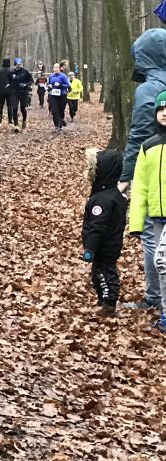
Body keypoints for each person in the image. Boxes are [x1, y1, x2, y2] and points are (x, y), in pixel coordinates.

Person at [120, 27, 166, 312]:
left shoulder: (149, 89)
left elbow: (138, 135)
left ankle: (155, 297)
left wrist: (126, 177)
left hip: (155, 172)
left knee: (152, 236)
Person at [82, 148, 126, 317]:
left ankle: (109, 303)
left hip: (105, 247)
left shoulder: (103, 200)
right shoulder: (111, 195)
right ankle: (103, 300)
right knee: (98, 273)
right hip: (109, 245)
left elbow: (97, 227)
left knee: (104, 273)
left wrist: (90, 249)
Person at [8, 58, 33, 132]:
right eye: (18, 65)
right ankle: (16, 125)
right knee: (14, 108)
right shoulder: (11, 72)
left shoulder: (25, 72)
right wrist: (9, 85)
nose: (19, 66)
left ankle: (24, 120)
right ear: (15, 65)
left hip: (23, 93)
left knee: (23, 109)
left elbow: (31, 80)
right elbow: (9, 81)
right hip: (14, 93)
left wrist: (26, 85)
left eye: (20, 64)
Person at [46, 64, 70, 131]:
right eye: (54, 67)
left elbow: (67, 85)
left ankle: (61, 120)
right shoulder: (51, 76)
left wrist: (60, 85)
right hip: (53, 95)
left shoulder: (63, 76)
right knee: (54, 110)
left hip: (62, 95)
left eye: (57, 67)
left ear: (59, 68)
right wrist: (49, 86)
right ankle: (57, 125)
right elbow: (48, 84)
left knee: (61, 110)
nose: (55, 69)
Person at [0, 58, 14, 126]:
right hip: (9, 91)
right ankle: (10, 120)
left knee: (0, 105)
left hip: (1, 90)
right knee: (9, 105)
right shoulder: (11, 71)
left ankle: (0, 120)